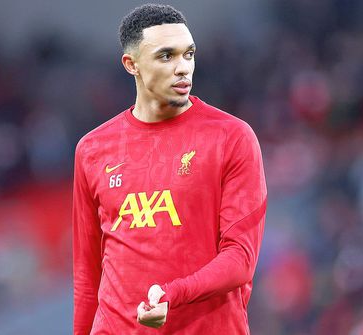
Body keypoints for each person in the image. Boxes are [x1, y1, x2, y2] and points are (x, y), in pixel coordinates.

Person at [73, 4, 267, 334]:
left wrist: (173, 293)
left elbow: (240, 261)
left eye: (188, 54)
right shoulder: (92, 149)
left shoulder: (231, 137)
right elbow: (87, 275)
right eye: (166, 56)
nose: (183, 68)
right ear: (131, 64)